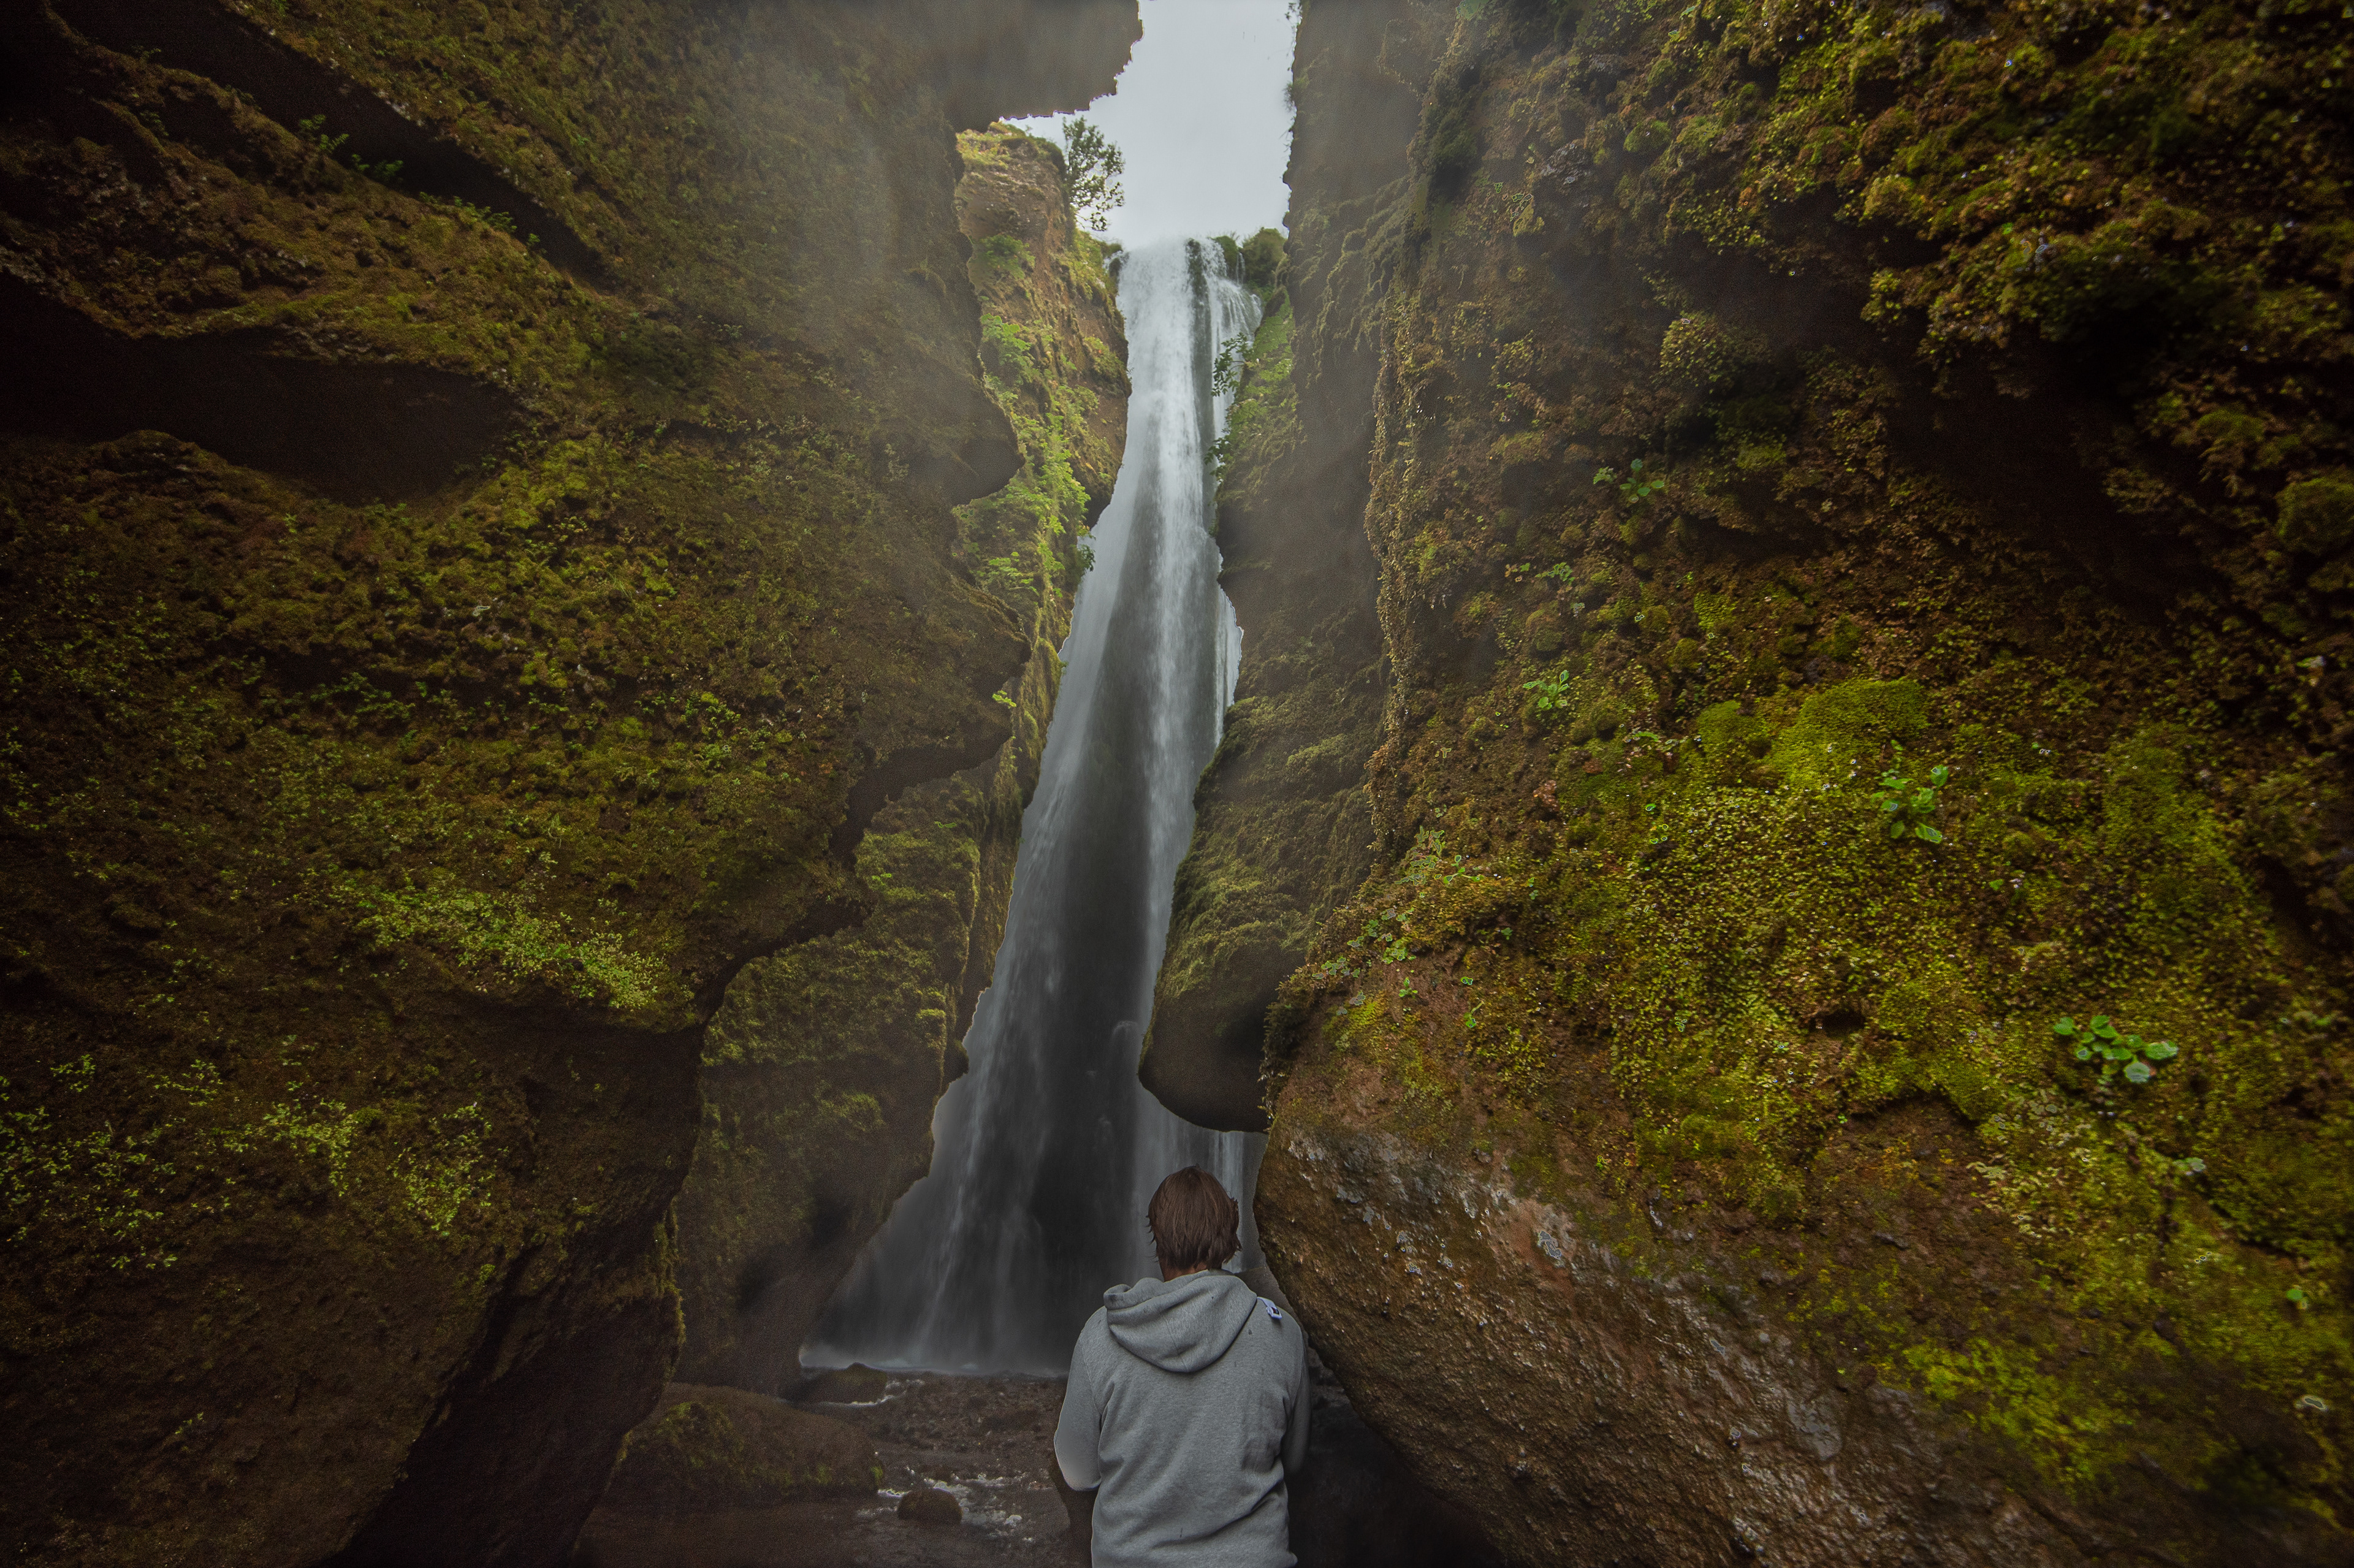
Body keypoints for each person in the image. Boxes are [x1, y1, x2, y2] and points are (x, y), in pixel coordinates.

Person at [1053, 1166, 1311, 1567]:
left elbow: (1076, 1472)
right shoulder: (1284, 1335)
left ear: (1159, 1242)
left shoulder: (1100, 1336)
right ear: (1229, 1240)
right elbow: (1294, 1460)